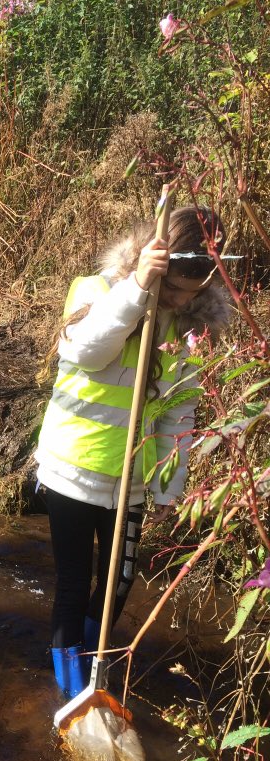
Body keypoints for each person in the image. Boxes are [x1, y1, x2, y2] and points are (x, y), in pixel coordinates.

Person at [35, 206, 232, 699]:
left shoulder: (188, 325)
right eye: (174, 290)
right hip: (72, 471)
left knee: (118, 585)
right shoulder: (97, 291)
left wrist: (169, 486)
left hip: (133, 481)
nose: (180, 301)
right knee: (74, 584)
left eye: (192, 293)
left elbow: (178, 412)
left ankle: (91, 665)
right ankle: (72, 694)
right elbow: (84, 351)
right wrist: (138, 290)